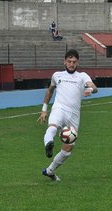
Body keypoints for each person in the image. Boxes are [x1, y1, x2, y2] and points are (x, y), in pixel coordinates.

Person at [37, 49, 98, 181]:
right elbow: (50, 91)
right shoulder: (57, 75)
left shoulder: (82, 76)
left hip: (74, 115)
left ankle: (50, 171)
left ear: (77, 63)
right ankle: (49, 144)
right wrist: (44, 109)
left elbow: (94, 86)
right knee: (52, 127)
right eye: (69, 61)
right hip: (59, 109)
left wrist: (90, 89)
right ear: (64, 62)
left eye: (74, 62)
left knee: (68, 148)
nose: (71, 64)